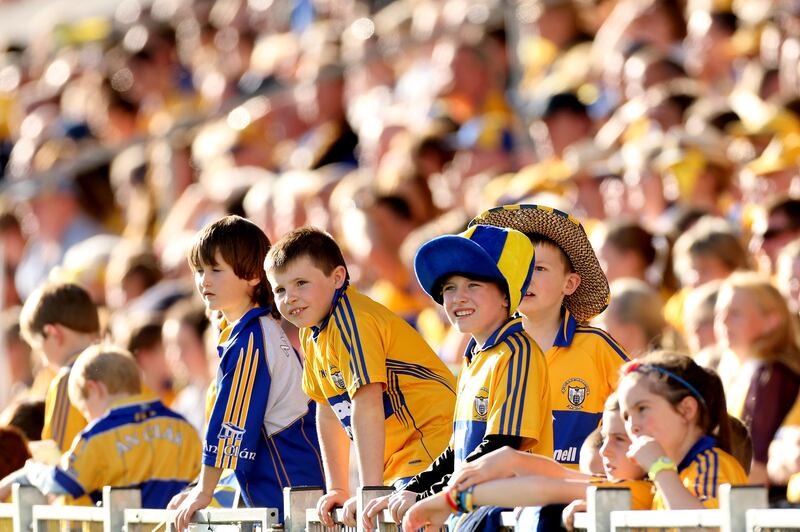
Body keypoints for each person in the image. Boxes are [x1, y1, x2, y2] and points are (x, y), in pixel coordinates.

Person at [363, 224, 553, 528]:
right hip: (468, 510)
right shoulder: (476, 356)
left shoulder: (516, 353)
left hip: (505, 518)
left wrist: (430, 496)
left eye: (473, 285)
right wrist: (416, 487)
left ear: (506, 296)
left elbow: (500, 449)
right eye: (449, 288)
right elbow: (457, 452)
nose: (457, 298)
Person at [265, 227, 456, 528]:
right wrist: (338, 489)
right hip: (402, 458)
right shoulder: (312, 334)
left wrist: (370, 490)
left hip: (432, 441)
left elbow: (366, 403)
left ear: (337, 278)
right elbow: (328, 412)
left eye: (301, 283)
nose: (290, 298)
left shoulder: (353, 321)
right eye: (280, 290)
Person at [173, 216, 324, 529]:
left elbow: (231, 425)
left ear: (254, 276)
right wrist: (198, 487)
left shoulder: (250, 338)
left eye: (216, 270)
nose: (204, 281)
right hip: (288, 487)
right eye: (200, 271)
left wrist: (204, 490)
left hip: (290, 488)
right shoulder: (252, 332)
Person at [471, 204, 628, 467]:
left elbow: (639, 406)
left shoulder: (596, 347)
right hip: (505, 496)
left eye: (539, 268)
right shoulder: (487, 353)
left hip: (578, 495)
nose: (525, 278)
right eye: (517, 267)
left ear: (570, 283)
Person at [400, 393, 653, 531]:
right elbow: (559, 473)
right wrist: (506, 459)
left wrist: (452, 501)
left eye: (620, 439)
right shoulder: (625, 484)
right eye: (605, 437)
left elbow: (547, 488)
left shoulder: (640, 490)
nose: (605, 450)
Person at [0, 345, 201, 507]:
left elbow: (61, 482)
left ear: (94, 389)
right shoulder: (184, 427)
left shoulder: (98, 435)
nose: (88, 419)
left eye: (84, 410)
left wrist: (32, 471)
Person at [617, 351, 748, 509]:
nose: (632, 426)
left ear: (686, 410)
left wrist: (659, 468)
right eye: (626, 417)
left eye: (642, 408)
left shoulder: (712, 464)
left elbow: (703, 529)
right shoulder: (671, 477)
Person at [19, 282, 100, 453]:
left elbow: (59, 458)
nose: (44, 363)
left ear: (54, 334)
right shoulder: (127, 367)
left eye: (39, 349)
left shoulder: (70, 381)